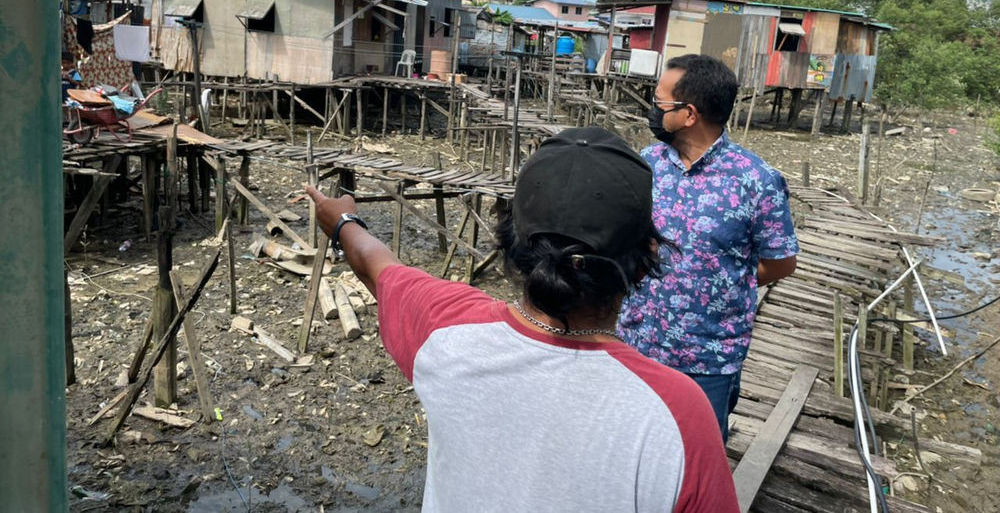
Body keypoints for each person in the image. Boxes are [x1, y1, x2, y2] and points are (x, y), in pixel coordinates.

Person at [307, 126, 738, 513]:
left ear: (511, 242)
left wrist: (343, 219)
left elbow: (375, 264)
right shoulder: (679, 415)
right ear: (647, 258)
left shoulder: (444, 329)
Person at [619, 54, 799, 443]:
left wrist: (723, 283)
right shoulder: (645, 166)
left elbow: (781, 263)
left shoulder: (756, 181)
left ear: (689, 114)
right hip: (636, 342)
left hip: (707, 358)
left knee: (698, 456)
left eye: (660, 102)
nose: (653, 110)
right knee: (633, 446)